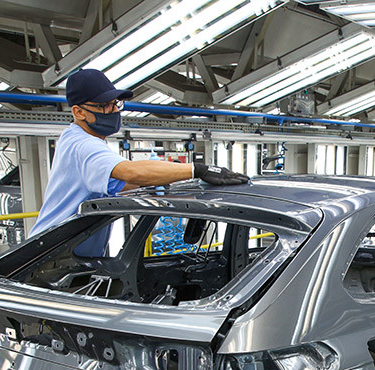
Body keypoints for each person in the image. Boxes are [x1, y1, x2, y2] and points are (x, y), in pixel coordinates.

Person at [29, 69, 249, 252]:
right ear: (79, 112)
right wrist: (198, 170)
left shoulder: (80, 140)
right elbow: (131, 172)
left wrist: (172, 184)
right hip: (48, 256)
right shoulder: (83, 145)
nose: (113, 111)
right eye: (104, 106)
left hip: (64, 253)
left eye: (115, 104)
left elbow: (125, 184)